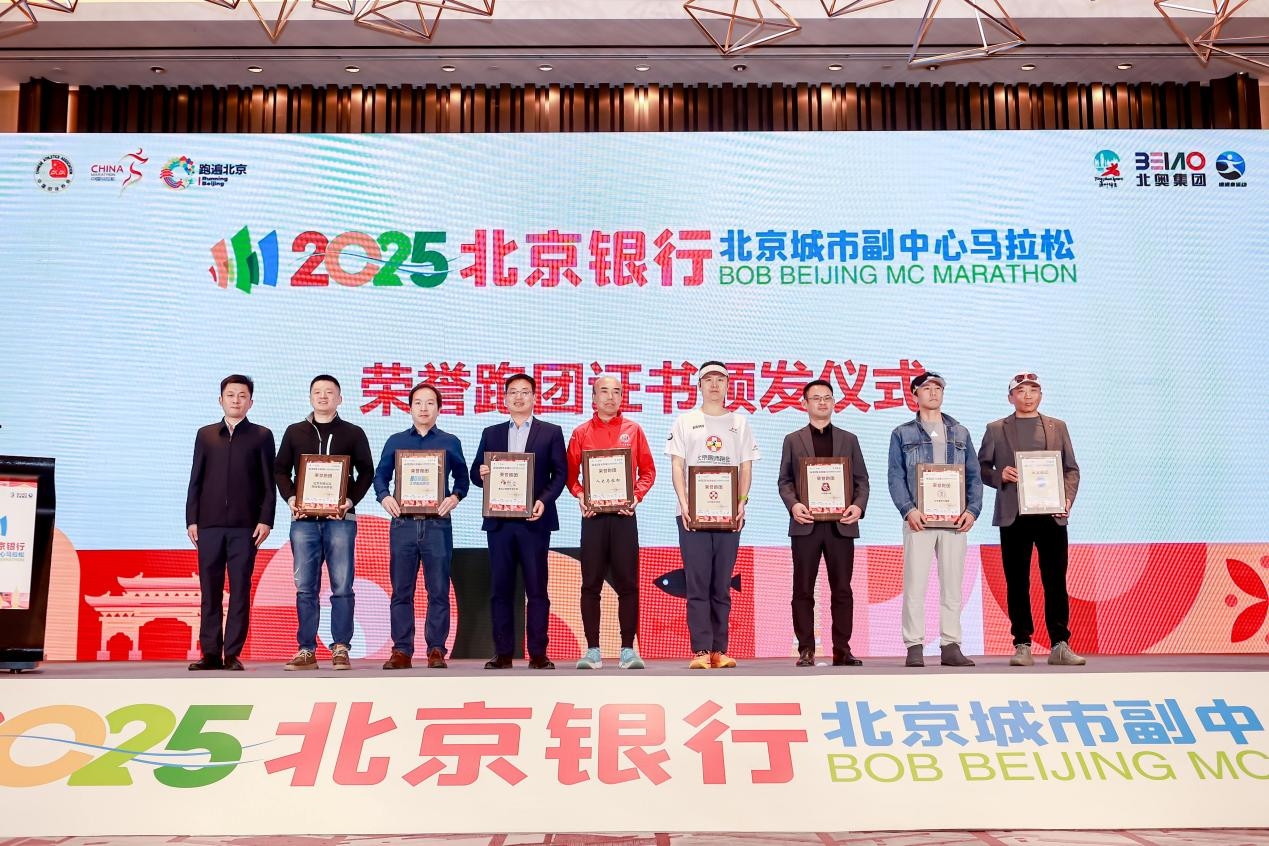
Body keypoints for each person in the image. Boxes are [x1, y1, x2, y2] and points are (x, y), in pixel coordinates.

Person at [979, 371, 1085, 666]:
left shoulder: (1057, 427)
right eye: (1021, 391)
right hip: (1014, 515)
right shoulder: (996, 429)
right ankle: (1022, 643)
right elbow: (981, 468)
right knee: (1017, 582)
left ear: (1041, 395)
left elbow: (1071, 469)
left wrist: (1067, 499)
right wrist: (999, 475)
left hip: (1051, 514)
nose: (1028, 396)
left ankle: (1060, 644)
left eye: (1033, 390)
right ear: (1010, 397)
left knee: (1055, 581)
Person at [274, 374, 374, 671]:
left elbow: (366, 472)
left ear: (339, 398)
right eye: (317, 391)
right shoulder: (294, 432)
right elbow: (280, 470)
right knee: (305, 587)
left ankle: (341, 647)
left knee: (342, 586)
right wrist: (291, 497)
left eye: (329, 392)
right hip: (303, 521)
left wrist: (350, 500)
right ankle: (306, 650)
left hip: (341, 520)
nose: (323, 396)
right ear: (310, 397)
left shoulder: (353, 432)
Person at [470, 372, 568, 669]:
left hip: (534, 521)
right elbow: (475, 473)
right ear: (504, 399)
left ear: (534, 397)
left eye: (525, 392)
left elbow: (560, 474)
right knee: (500, 590)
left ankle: (538, 653)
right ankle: (502, 653)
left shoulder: (551, 432)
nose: (519, 397)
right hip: (500, 523)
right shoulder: (491, 433)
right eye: (513, 392)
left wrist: (543, 500)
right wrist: (482, 473)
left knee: (537, 590)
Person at [666, 361, 759, 669]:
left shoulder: (739, 423)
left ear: (728, 385)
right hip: (692, 516)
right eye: (709, 379)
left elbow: (746, 466)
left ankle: (720, 651)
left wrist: (742, 502)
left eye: (720, 379)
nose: (715, 385)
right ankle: (701, 651)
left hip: (729, 515)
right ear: (699, 385)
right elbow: (677, 466)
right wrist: (684, 504)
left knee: (721, 585)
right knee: (697, 584)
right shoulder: (685, 421)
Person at [886, 371, 982, 668]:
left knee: (952, 585)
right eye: (927, 388)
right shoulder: (902, 433)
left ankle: (951, 645)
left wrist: (972, 510)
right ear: (914, 394)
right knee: (915, 584)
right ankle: (914, 645)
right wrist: (908, 510)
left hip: (955, 520)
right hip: (919, 519)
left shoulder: (960, 432)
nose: (933, 392)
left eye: (938, 388)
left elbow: (974, 475)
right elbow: (895, 476)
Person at [373, 383, 470, 670]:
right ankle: (401, 650)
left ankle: (436, 649)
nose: (424, 408)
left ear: (439, 408)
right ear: (410, 407)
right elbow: (380, 476)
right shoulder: (395, 441)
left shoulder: (450, 442)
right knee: (401, 590)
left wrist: (454, 497)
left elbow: (462, 479)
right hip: (402, 524)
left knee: (438, 589)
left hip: (437, 525)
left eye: (430, 403)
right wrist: (384, 496)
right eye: (418, 402)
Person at [185, 375, 276, 671]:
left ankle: (232, 653)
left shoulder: (262, 435)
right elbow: (195, 479)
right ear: (220, 400)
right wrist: (192, 519)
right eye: (231, 395)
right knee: (209, 591)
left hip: (245, 527)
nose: (236, 400)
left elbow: (269, 484)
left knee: (239, 590)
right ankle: (210, 653)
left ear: (251, 402)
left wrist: (266, 520)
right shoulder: (206, 435)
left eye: (242, 395)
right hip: (208, 526)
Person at [776, 379, 869, 668]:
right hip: (806, 525)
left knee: (842, 589)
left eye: (827, 397)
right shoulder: (793, 440)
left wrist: (857, 506)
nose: (822, 402)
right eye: (816, 398)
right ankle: (806, 649)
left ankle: (842, 649)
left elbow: (862, 481)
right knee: (803, 590)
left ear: (834, 402)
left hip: (841, 524)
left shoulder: (849, 439)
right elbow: (785, 481)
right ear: (804, 404)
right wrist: (794, 505)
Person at [565, 375, 656, 670]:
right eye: (604, 391)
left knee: (628, 585)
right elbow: (570, 476)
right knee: (590, 585)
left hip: (624, 518)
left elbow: (648, 472)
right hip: (593, 518)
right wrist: (581, 495)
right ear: (593, 398)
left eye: (616, 392)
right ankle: (592, 650)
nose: (610, 397)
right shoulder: (581, 432)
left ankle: (628, 649)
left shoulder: (634, 430)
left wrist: (636, 497)